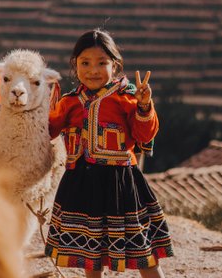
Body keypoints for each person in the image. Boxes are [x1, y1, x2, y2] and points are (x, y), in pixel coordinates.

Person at [45, 29, 173, 278]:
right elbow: (49, 130)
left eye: (101, 63)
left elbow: (145, 135)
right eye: (85, 63)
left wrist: (145, 105)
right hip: (82, 183)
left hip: (120, 184)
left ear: (115, 65)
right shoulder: (69, 102)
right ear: (75, 65)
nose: (93, 70)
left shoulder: (127, 98)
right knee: (90, 256)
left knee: (142, 252)